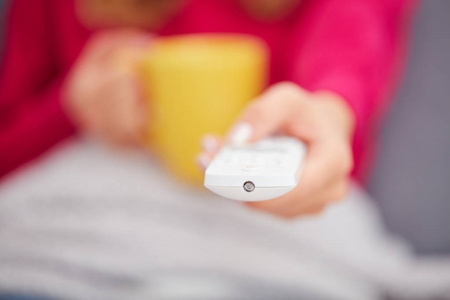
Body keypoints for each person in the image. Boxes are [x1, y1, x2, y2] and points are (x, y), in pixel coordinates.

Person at [0, 0, 427, 299]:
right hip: (75, 232)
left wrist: (329, 116)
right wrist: (69, 105)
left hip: (273, 246)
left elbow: (348, 59)